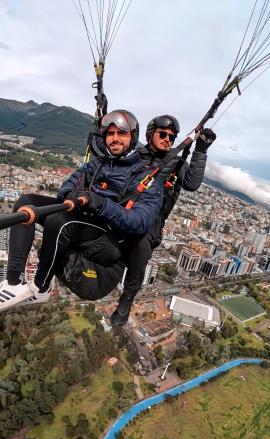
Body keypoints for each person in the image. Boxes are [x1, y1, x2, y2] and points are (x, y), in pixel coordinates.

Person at [0, 110, 164, 312]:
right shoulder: (97, 164)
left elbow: (140, 222)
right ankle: (13, 281)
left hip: (111, 238)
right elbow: (69, 185)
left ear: (133, 137)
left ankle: (41, 287)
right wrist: (71, 196)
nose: (114, 139)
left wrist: (101, 204)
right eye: (110, 134)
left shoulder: (148, 178)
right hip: (84, 220)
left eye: (121, 133)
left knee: (59, 221)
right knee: (26, 202)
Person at [111, 114, 216, 326]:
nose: (168, 139)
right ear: (151, 134)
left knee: (141, 247)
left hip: (151, 223)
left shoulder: (176, 163)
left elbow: (192, 183)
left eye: (172, 136)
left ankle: (127, 300)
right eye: (163, 134)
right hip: (124, 212)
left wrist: (201, 149)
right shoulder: (135, 155)